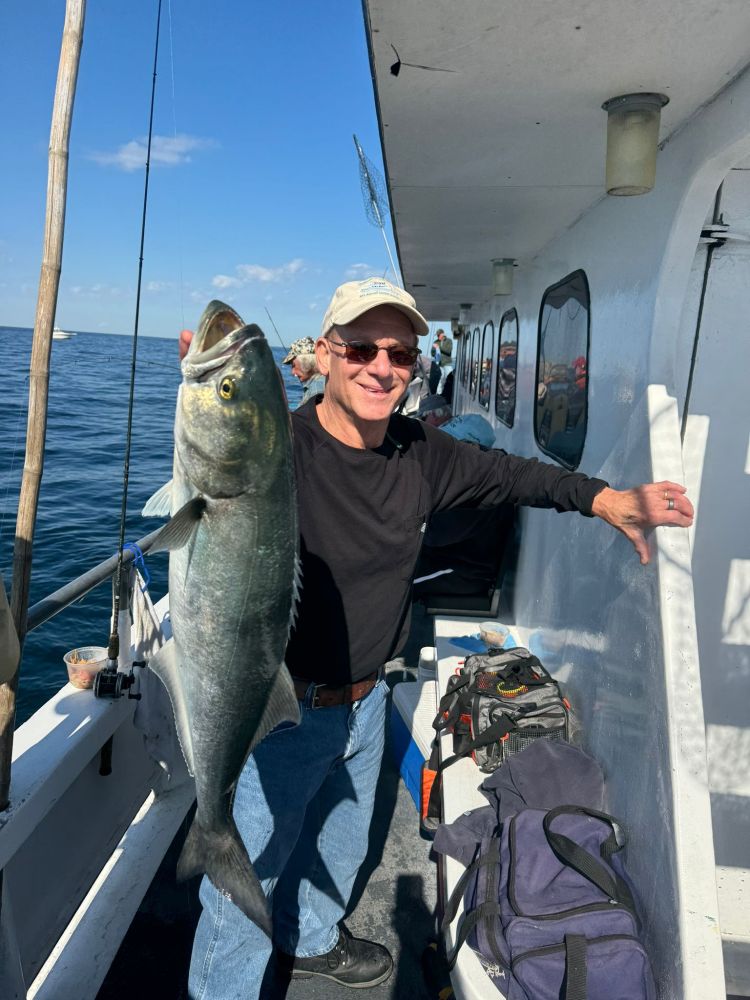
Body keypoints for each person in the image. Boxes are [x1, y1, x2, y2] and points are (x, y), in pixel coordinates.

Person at [178, 276, 693, 999]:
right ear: (325, 354)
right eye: (360, 347)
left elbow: (514, 476)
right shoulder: (278, 451)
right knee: (242, 887)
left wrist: (604, 498)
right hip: (280, 711)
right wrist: (213, 396)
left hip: (366, 703)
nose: (381, 367)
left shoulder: (422, 453)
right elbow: (213, 490)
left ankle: (314, 940)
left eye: (401, 353)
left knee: (345, 839)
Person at [282, 336, 326, 405]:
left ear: (307, 362)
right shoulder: (320, 383)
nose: (292, 372)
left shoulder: (316, 390)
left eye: (294, 365)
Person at [435, 328, 453, 394]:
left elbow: (448, 350)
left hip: (447, 363)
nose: (437, 336)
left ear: (442, 334)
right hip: (439, 364)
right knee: (440, 379)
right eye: (437, 335)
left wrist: (439, 347)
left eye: (438, 335)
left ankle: (448, 393)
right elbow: (433, 353)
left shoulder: (449, 341)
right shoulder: (436, 342)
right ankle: (439, 394)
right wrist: (434, 349)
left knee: (448, 377)